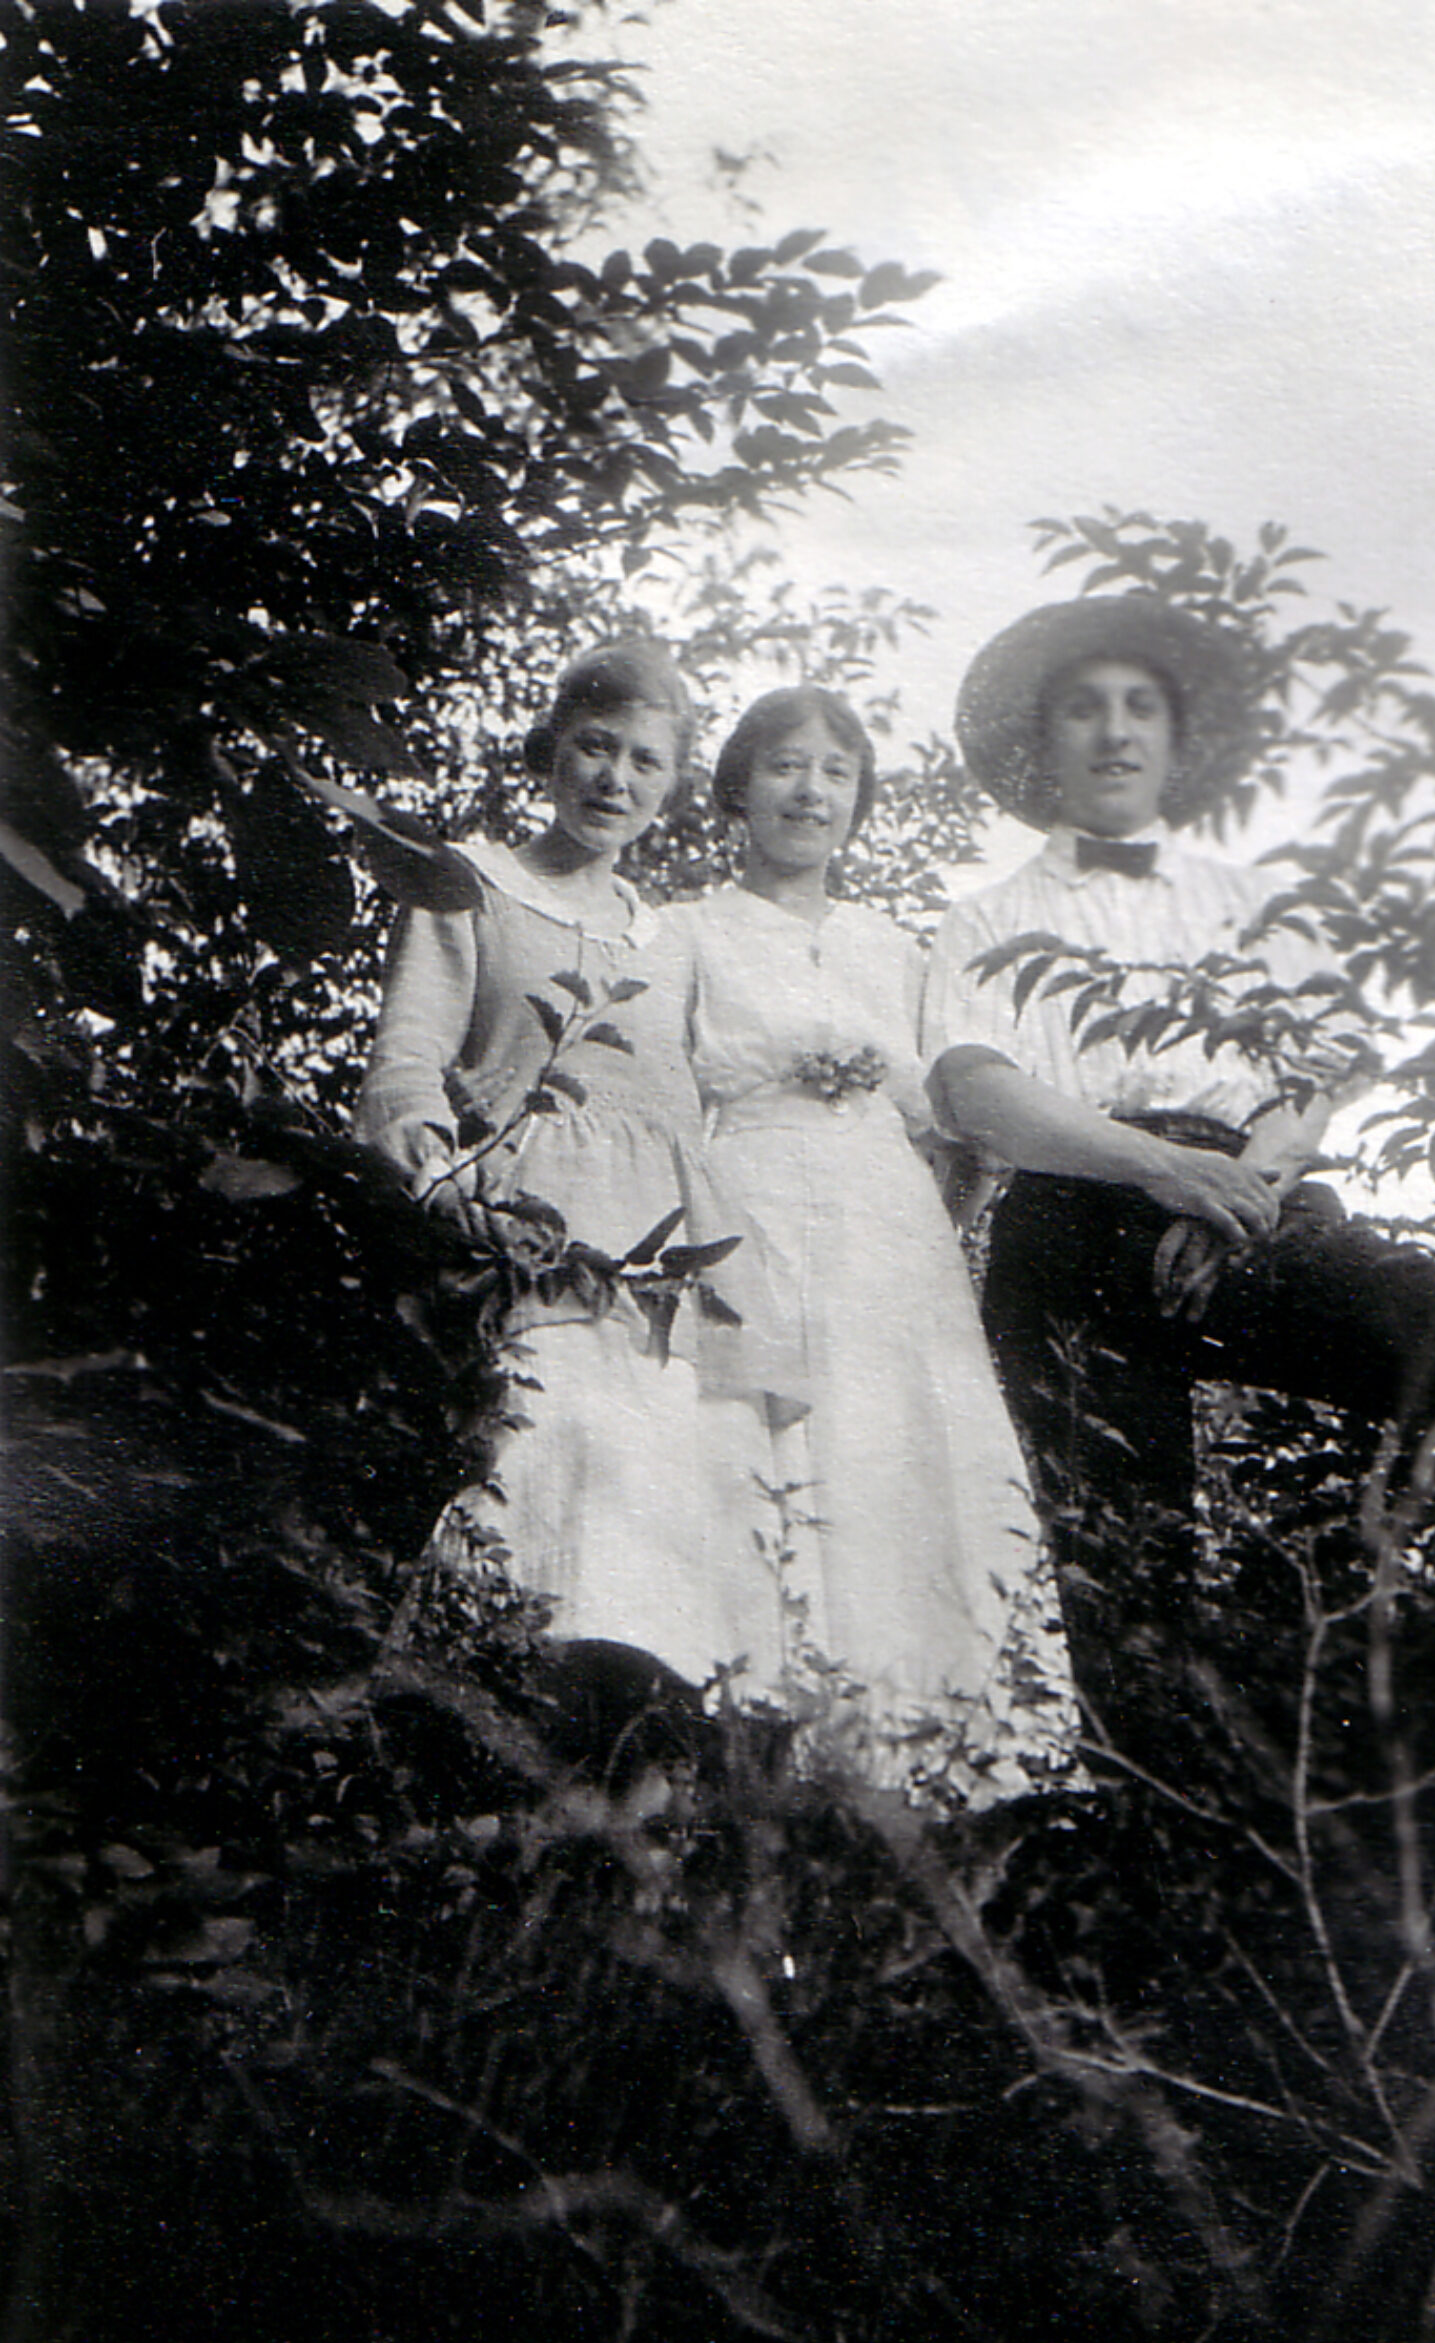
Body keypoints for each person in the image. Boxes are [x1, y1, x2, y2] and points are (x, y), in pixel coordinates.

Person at [921, 595, 1435, 1744]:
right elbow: (980, 1093)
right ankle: (1146, 1848)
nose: (1115, 733)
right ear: (1043, 739)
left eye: (1139, 708)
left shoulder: (1249, 901)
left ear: (1177, 739)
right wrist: (1161, 1170)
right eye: (1084, 709)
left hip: (1241, 1210)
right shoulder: (986, 915)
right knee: (1129, 1572)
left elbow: (1310, 1080)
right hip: (1077, 1224)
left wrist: (1239, 1195)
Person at [647, 686, 1080, 1811]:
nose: (809, 791)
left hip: (890, 1236)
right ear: (738, 790)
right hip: (745, 1214)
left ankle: (933, 1770)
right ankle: (767, 1767)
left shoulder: (895, 948)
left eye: (835, 774)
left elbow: (957, 1124)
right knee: (768, 1465)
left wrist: (932, 1219)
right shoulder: (684, 930)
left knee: (902, 1461)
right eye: (785, 767)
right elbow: (649, 1101)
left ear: (857, 804)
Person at [356, 639, 779, 1694]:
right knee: (546, 1465)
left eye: (645, 761)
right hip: (533, 1226)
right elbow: (407, 1060)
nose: (614, 779)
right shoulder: (468, 885)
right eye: (595, 747)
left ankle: (645, 1757)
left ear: (672, 787)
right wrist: (440, 1176)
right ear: (551, 751)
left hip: (668, 1253)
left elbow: (705, 1098)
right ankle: (489, 1723)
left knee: (671, 1495)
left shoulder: (671, 937)